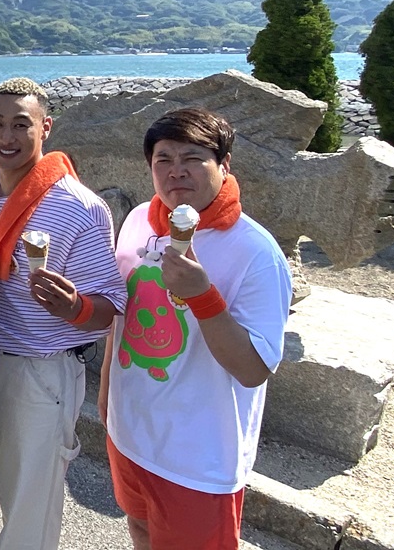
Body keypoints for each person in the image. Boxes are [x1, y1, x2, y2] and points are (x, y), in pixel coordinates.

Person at [100, 107, 290, 549]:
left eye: (193, 158)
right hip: (130, 433)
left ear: (224, 165)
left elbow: (253, 370)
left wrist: (203, 296)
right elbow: (123, 319)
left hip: (199, 457)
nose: (176, 171)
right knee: (140, 529)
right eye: (163, 159)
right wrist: (107, 390)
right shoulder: (138, 222)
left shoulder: (256, 252)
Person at [0, 77, 128, 549]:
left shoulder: (80, 207)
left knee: (28, 517)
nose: (6, 137)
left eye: (21, 124)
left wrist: (74, 306)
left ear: (46, 127)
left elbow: (109, 307)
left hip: (37, 373)